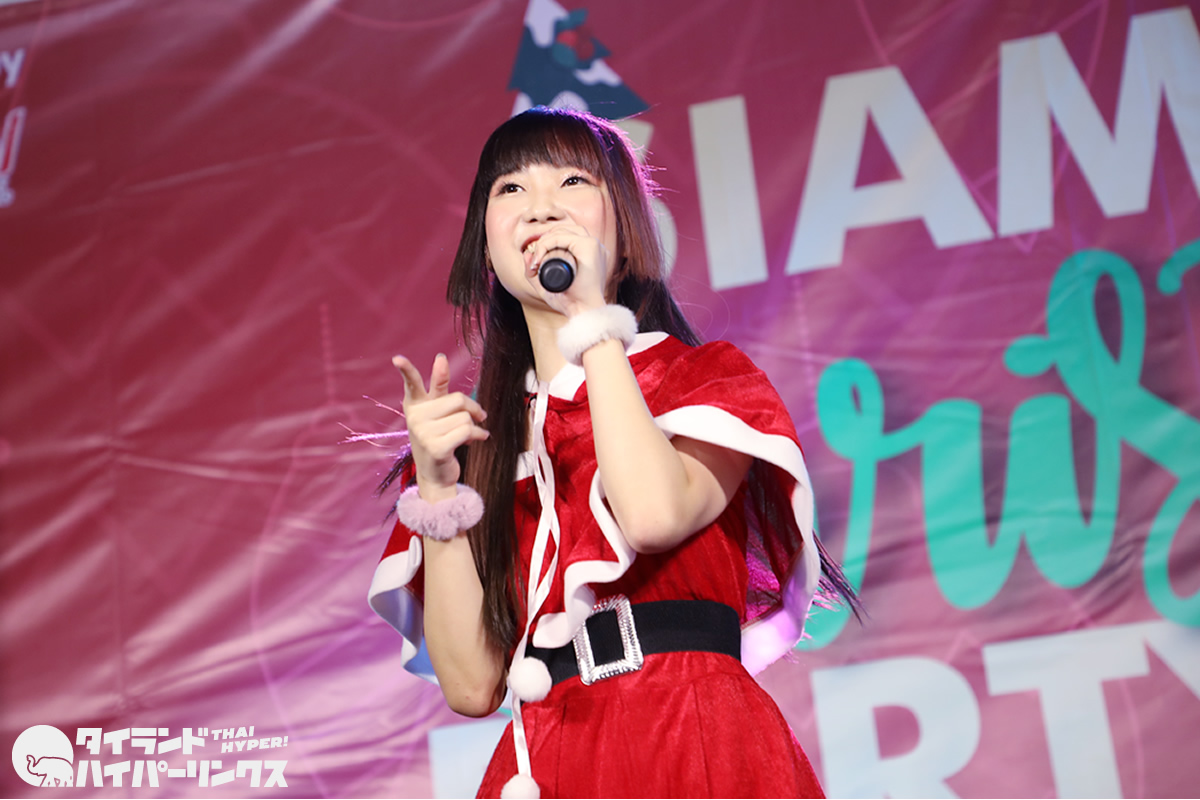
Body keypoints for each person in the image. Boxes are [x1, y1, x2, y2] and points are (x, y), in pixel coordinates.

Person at [368, 106, 858, 799]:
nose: (541, 208)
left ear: (627, 242)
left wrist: (590, 320)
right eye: (511, 188)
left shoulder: (703, 381)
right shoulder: (478, 443)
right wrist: (441, 491)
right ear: (487, 250)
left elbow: (653, 516)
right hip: (550, 758)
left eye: (572, 182)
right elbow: (472, 686)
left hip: (693, 737)